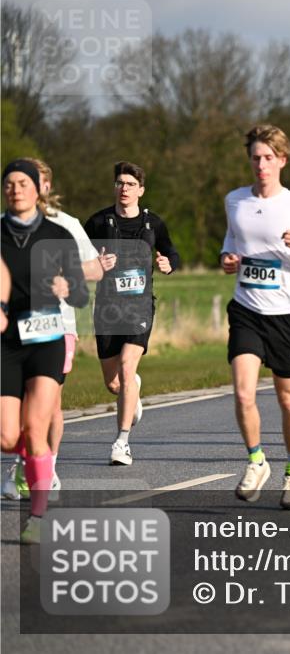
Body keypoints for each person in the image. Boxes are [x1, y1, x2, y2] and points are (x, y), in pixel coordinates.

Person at [220, 124, 290, 510]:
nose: (261, 165)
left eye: (268, 158)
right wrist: (227, 259)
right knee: (244, 392)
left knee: (287, 397)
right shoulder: (235, 201)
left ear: (282, 160)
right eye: (255, 158)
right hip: (246, 309)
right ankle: (256, 461)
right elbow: (231, 241)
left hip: (284, 313)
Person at [2, 159, 103, 501]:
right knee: (15, 427)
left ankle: (46, 472)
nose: (21, 189)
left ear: (44, 186)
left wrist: (68, 281)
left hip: (53, 329)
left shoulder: (64, 227)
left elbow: (88, 273)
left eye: (31, 182)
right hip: (10, 334)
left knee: (49, 407)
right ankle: (32, 453)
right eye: (12, 183)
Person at [84, 162, 180, 467]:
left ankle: (121, 442)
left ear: (141, 189)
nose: (123, 189)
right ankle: (131, 390)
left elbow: (172, 252)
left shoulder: (154, 224)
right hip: (106, 310)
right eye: (119, 183)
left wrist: (169, 264)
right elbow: (77, 257)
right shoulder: (99, 222)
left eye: (129, 184)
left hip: (139, 308)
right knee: (114, 383)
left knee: (126, 368)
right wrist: (94, 265)